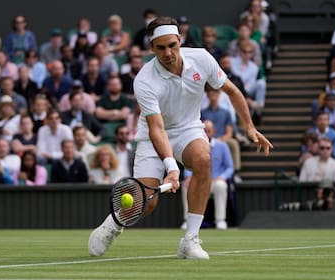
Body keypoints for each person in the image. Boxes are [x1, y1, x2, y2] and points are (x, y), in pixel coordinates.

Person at [88, 17, 272, 259]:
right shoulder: (144, 80)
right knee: (146, 203)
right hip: (153, 138)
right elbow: (157, 128)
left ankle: (190, 240)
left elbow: (232, 91)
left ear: (180, 41)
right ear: (151, 48)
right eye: (161, 47)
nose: (168, 53)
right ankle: (113, 224)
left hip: (189, 129)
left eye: (172, 45)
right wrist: (171, 167)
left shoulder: (201, 59)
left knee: (204, 159)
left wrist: (249, 127)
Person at [181, 120, 234, 230]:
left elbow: (230, 167)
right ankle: (187, 220)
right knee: (186, 184)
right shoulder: (192, 146)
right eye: (204, 131)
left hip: (215, 181)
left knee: (221, 185)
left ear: (213, 131)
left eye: (209, 131)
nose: (207, 133)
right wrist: (188, 176)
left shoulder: (222, 146)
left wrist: (223, 177)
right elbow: (186, 164)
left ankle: (220, 220)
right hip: (198, 181)